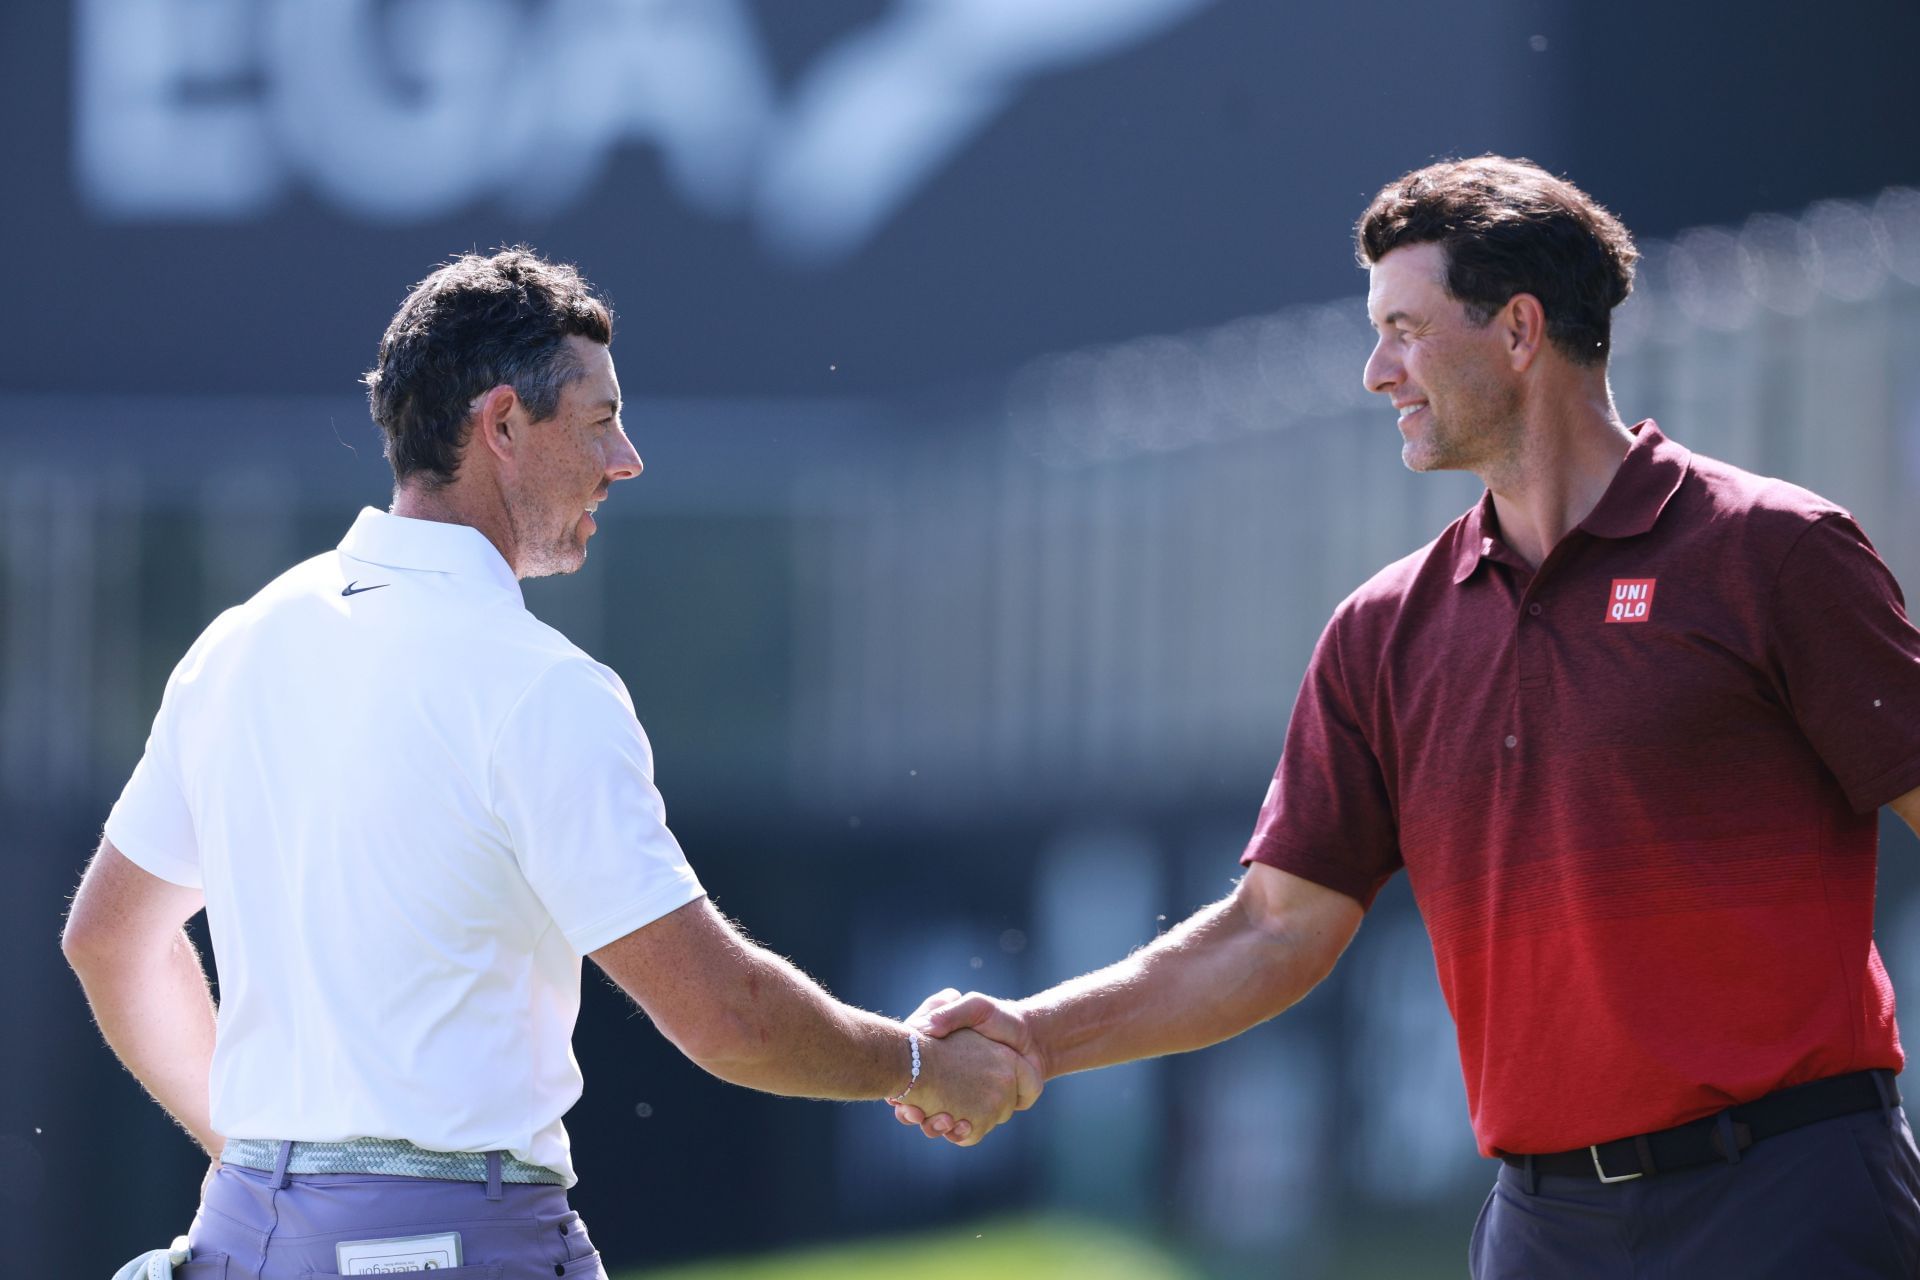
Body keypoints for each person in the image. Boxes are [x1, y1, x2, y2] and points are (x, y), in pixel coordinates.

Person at [896, 157, 1920, 1277]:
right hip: (1544, 1229)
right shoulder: (1382, 631)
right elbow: (1272, 927)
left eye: (1405, 327)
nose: (1377, 369)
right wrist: (1036, 1036)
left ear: (1521, 330)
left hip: (1790, 1200)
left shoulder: (1772, 552)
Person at [63, 247, 1037, 1280]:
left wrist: (273, 1168)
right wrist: (923, 1064)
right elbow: (725, 1017)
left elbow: (109, 941)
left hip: (245, 1237)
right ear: (501, 426)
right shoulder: (543, 686)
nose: (627, 457)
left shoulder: (236, 644)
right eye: (599, 417)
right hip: (457, 1246)